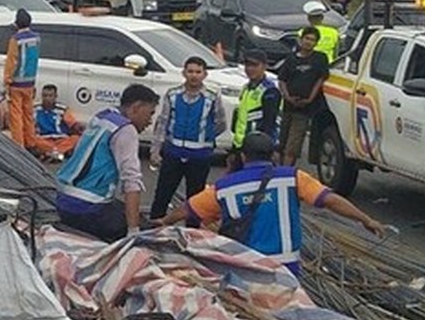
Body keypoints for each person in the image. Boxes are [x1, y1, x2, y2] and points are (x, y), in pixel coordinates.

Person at [159, 132, 385, 277]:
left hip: (245, 266)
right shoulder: (293, 178)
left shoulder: (224, 187)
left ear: (244, 157)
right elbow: (331, 200)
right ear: (273, 155)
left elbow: (187, 210)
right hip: (286, 267)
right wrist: (366, 220)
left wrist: (163, 222)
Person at [54, 84, 159, 241]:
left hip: (63, 200)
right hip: (88, 208)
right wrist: (133, 231)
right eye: (150, 114)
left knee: (124, 210)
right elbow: (132, 183)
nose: (150, 121)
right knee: (144, 229)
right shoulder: (126, 130)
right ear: (136, 107)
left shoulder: (103, 116)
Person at [147, 57, 227, 221]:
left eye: (198, 72)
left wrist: (206, 138)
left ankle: (192, 232)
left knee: (196, 201)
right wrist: (155, 150)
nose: (194, 75)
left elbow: (221, 123)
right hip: (173, 153)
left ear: (204, 74)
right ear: (184, 73)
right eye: (190, 71)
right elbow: (162, 123)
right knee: (162, 195)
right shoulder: (172, 94)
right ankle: (154, 228)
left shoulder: (212, 97)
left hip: (199, 157)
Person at [278, 26, 331, 167]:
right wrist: (287, 96)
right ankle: (279, 171)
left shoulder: (320, 59)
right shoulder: (291, 59)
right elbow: (282, 80)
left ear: (316, 43)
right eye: (307, 38)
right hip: (288, 107)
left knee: (293, 146)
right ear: (301, 40)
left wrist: (310, 99)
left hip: (304, 109)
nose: (309, 42)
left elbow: (320, 80)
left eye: (312, 40)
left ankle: (286, 173)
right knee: (282, 143)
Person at [231, 50, 281, 165]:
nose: (250, 69)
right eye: (247, 65)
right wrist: (234, 149)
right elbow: (241, 120)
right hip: (241, 146)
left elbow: (270, 123)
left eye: (255, 65)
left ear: (264, 66)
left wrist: (271, 150)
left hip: (258, 150)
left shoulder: (269, 91)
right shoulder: (246, 88)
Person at [2, 9, 40, 150]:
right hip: (30, 83)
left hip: (16, 83)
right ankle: (31, 143)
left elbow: (12, 61)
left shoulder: (16, 39)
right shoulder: (36, 38)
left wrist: (7, 80)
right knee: (28, 114)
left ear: (17, 24)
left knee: (16, 116)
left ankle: (19, 146)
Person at [32, 84, 84, 162]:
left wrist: (80, 128)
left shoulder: (62, 109)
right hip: (43, 139)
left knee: (76, 138)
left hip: (60, 139)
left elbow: (73, 124)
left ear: (55, 96)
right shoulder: (35, 108)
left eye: (50, 96)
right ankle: (57, 153)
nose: (47, 99)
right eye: (45, 96)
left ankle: (50, 153)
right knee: (33, 140)